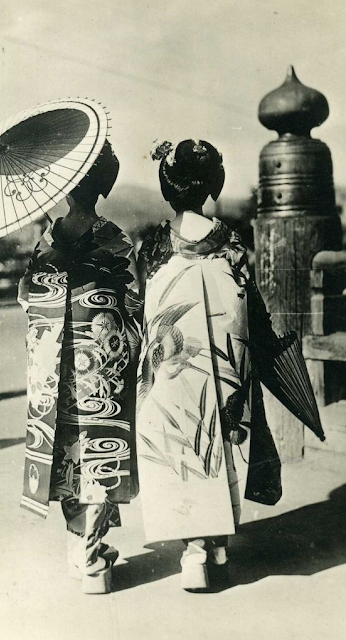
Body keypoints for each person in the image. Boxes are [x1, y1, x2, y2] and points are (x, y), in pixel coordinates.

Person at [136, 139, 282, 591]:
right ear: (212, 184)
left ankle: (193, 549)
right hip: (223, 359)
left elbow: (143, 305)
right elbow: (248, 307)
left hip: (172, 362)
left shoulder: (155, 247)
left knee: (181, 443)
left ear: (167, 188)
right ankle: (216, 542)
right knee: (220, 435)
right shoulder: (231, 245)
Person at [18, 140, 142, 594]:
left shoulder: (47, 239)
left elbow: (27, 297)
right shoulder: (117, 238)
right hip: (101, 355)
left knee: (66, 447)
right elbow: (134, 301)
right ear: (103, 186)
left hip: (55, 353)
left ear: (69, 188)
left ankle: (82, 550)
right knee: (100, 448)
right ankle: (91, 554)